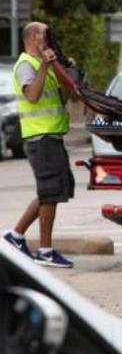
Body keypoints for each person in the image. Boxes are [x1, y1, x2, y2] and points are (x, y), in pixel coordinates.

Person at [2, 22, 76, 268]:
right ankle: (45, 251)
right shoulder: (26, 65)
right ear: (34, 37)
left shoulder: (46, 65)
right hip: (40, 137)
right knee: (50, 193)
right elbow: (32, 96)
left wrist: (65, 69)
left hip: (52, 135)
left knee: (54, 190)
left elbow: (68, 95)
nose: (50, 38)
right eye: (46, 34)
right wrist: (45, 66)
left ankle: (16, 236)